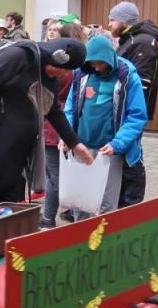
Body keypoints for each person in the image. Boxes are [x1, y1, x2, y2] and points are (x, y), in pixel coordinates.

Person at [0, 39, 95, 205]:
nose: (63, 73)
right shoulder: (17, 57)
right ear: (52, 57)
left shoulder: (49, 77)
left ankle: (3, 231)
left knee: (8, 207)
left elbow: (52, 110)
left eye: (67, 70)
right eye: (61, 68)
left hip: (14, 151)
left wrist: (74, 143)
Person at [63, 35, 148, 218]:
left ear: (109, 56)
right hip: (81, 146)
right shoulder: (82, 73)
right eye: (92, 63)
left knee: (106, 204)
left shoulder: (127, 75)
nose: (97, 67)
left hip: (109, 151)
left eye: (100, 63)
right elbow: (69, 108)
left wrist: (118, 143)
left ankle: (103, 242)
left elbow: (137, 116)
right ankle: (80, 240)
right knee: (80, 201)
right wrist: (67, 136)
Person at [107, 1, 158, 208]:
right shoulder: (129, 40)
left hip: (130, 114)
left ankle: (131, 203)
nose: (109, 23)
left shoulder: (143, 42)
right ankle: (121, 200)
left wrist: (134, 118)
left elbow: (142, 83)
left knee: (131, 157)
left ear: (123, 20)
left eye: (112, 19)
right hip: (121, 112)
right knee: (122, 156)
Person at [39, 23, 85, 228]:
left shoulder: (60, 67)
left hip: (53, 126)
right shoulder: (70, 71)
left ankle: (51, 216)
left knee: (55, 175)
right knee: (58, 176)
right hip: (57, 127)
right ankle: (50, 217)